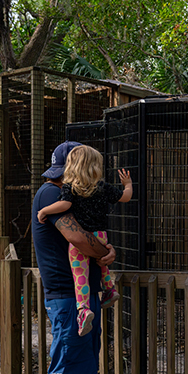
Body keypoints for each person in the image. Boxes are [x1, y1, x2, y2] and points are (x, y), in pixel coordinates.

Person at [32, 141, 118, 374]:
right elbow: (80, 239)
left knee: (77, 367)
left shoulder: (74, 195)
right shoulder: (51, 195)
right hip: (67, 297)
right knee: (63, 368)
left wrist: (103, 252)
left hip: (83, 295)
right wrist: (105, 252)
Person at [37, 144, 133, 336]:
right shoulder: (102, 187)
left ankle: (82, 309)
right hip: (101, 235)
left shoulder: (70, 188)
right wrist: (128, 184)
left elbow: (66, 208)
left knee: (79, 270)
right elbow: (125, 197)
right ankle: (109, 289)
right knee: (102, 263)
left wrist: (45, 210)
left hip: (83, 243)